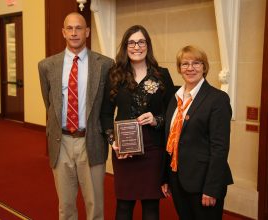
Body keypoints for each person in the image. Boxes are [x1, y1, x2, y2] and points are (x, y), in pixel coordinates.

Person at [38, 12, 113, 220]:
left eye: (79, 28)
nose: (74, 33)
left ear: (87, 32)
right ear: (63, 32)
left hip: (91, 141)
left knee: (95, 205)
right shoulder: (46, 66)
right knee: (66, 206)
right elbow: (50, 103)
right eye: (69, 28)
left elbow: (107, 106)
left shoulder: (105, 64)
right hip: (60, 141)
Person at [101, 25, 175, 220]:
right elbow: (106, 114)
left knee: (151, 206)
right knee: (124, 205)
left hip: (153, 149)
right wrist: (112, 141)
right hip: (125, 149)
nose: (137, 46)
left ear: (147, 45)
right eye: (131, 42)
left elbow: (173, 113)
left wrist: (156, 119)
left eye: (141, 42)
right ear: (125, 46)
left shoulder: (161, 75)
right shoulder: (115, 75)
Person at [161, 45, 233, 220]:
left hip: (203, 183)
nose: (190, 68)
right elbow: (169, 139)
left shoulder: (217, 99)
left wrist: (212, 188)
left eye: (196, 63)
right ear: (179, 68)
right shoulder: (175, 97)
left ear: (204, 67)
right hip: (178, 179)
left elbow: (220, 147)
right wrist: (166, 177)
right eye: (185, 64)